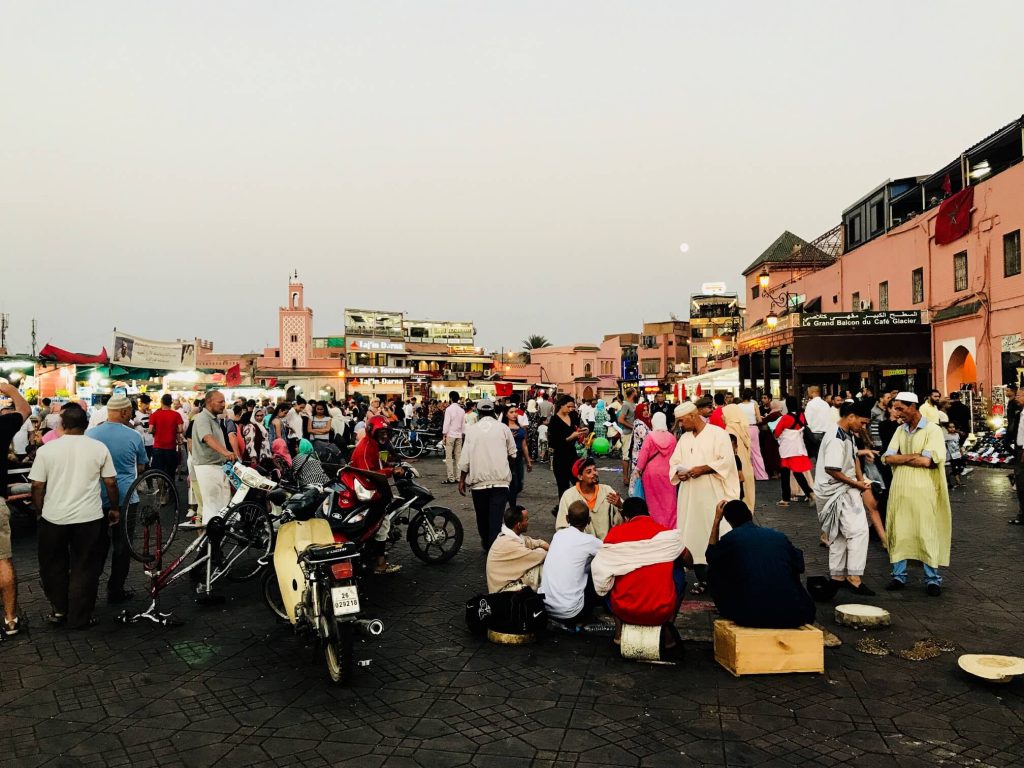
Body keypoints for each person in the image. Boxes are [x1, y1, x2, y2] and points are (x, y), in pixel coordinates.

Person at [29, 405, 120, 629]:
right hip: (88, 517)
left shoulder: (47, 450)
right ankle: (80, 616)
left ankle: (60, 609)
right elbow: (110, 482)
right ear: (86, 424)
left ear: (62, 424)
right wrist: (114, 508)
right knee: (85, 566)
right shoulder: (98, 448)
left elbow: (37, 485)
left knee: (52, 565)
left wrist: (39, 510)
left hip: (54, 517)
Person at [705, 500, 816, 628]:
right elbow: (799, 565)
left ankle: (732, 605)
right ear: (750, 515)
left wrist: (716, 521)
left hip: (750, 616)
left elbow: (710, 556)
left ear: (729, 521)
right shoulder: (778, 537)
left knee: (713, 569)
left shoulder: (731, 539)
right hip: (795, 614)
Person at [592, 497, 687, 645]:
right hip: (660, 611)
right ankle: (668, 634)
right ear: (648, 513)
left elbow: (600, 570)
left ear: (626, 517)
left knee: (608, 574)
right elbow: (691, 562)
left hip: (624, 609)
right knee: (678, 568)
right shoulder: (667, 534)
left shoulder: (615, 533)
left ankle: (618, 634)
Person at [883, 392, 952, 596]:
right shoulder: (900, 431)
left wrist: (901, 457)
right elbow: (887, 458)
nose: (897, 413)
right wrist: (914, 455)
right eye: (895, 408)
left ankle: (932, 579)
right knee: (899, 531)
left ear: (913, 407)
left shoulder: (933, 430)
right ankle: (898, 575)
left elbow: (928, 461)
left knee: (926, 531)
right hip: (900, 489)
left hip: (924, 490)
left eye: (900, 408)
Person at [669, 401, 740, 594]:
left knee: (717, 532)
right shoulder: (684, 439)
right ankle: (703, 580)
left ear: (692, 416)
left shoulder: (719, 434)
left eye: (682, 421)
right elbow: (674, 462)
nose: (681, 425)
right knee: (692, 535)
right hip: (690, 496)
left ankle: (723, 581)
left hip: (713, 493)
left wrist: (703, 469)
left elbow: (726, 461)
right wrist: (679, 472)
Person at [86, 394, 149, 603]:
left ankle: (90, 591)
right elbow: (141, 466)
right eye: (130, 411)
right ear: (124, 412)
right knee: (122, 547)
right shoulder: (133, 436)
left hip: (96, 498)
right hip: (126, 498)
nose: (131, 415)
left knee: (97, 546)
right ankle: (115, 590)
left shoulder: (90, 434)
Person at [812, 400, 877, 597]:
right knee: (858, 531)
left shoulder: (846, 434)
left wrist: (860, 478)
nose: (863, 427)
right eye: (862, 423)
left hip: (841, 489)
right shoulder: (836, 437)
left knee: (838, 533)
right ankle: (853, 577)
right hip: (838, 490)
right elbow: (832, 469)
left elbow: (853, 457)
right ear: (851, 417)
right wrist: (856, 484)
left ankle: (837, 576)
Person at [347, 417, 404, 574]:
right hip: (367, 492)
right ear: (373, 432)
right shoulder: (367, 447)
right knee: (382, 525)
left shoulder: (373, 444)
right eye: (381, 432)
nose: (384, 436)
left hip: (370, 489)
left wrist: (390, 465)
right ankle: (380, 564)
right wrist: (392, 471)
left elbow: (378, 464)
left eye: (386, 433)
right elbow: (370, 473)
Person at [458, 399, 516, 550]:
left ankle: (487, 543)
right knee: (496, 518)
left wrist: (462, 480)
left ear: (478, 412)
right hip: (500, 481)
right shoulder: (503, 428)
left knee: (482, 517)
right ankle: (493, 547)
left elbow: (465, 459)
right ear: (493, 411)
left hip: (479, 483)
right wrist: (508, 468)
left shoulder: (472, 430)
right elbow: (513, 454)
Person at [540, 500, 603, 627]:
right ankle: (586, 619)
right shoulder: (590, 541)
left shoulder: (558, 535)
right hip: (571, 613)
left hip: (546, 607)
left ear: (567, 518)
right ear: (589, 520)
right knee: (600, 570)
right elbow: (610, 552)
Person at [0, 378, 30, 636]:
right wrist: (8, 388)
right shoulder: (2, 424)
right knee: (3, 561)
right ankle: (10, 620)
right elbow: (25, 409)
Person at [188, 390, 236, 527]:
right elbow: (207, 438)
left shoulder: (214, 419)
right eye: (220, 402)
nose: (223, 405)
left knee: (221, 504)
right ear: (209, 402)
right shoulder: (202, 418)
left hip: (217, 466)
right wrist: (226, 452)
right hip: (207, 466)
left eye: (224, 401)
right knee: (212, 505)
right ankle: (210, 543)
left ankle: (215, 542)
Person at [556, 457, 623, 540]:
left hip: (606, 545)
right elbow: (561, 527)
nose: (594, 473)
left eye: (595, 470)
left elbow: (625, 520)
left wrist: (620, 506)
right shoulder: (569, 496)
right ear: (580, 477)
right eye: (589, 472)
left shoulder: (607, 491)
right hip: (580, 547)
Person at [485, 505, 548, 593]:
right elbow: (539, 556)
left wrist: (542, 543)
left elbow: (529, 541)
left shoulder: (508, 536)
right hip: (503, 591)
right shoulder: (508, 544)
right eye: (526, 520)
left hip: (505, 583)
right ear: (518, 525)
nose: (528, 522)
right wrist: (548, 549)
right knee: (543, 567)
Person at [633, 412, 677, 528]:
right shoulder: (672, 438)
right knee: (669, 500)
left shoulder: (650, 437)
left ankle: (655, 525)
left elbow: (643, 455)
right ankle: (670, 525)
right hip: (668, 473)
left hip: (651, 474)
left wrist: (638, 469)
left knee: (653, 501)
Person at [773, 395, 815, 507]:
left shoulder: (785, 418)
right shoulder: (802, 415)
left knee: (785, 473)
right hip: (798, 447)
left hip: (787, 448)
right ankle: (810, 493)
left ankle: (785, 499)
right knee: (797, 472)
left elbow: (777, 432)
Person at [548, 395, 585, 503]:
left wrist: (582, 431)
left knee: (579, 483)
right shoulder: (554, 420)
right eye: (568, 407)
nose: (571, 409)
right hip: (560, 457)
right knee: (563, 487)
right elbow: (554, 443)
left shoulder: (573, 416)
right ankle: (563, 510)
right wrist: (570, 438)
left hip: (572, 456)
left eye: (572, 407)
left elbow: (577, 428)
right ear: (561, 405)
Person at [722, 403, 756, 508]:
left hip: (736, 469)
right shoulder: (742, 428)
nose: (722, 416)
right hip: (746, 467)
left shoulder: (729, 431)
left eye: (724, 414)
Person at [149, 393, 183, 479]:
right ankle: (170, 490)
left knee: (159, 473)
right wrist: (172, 430)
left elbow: (150, 430)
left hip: (158, 447)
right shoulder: (176, 415)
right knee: (170, 472)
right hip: (171, 447)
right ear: (171, 403)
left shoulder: (155, 414)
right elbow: (181, 429)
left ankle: (161, 491)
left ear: (161, 402)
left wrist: (155, 430)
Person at [737, 389, 768, 481]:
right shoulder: (754, 405)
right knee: (756, 452)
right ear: (751, 396)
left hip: (742, 428)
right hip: (753, 428)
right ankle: (761, 475)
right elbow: (759, 420)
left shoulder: (738, 406)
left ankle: (745, 474)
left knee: (743, 452)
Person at [505, 407, 532, 507]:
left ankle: (509, 497)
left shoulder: (520, 427)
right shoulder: (504, 427)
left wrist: (528, 460)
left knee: (519, 485)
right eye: (511, 412)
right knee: (513, 483)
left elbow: (524, 444)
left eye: (515, 412)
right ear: (506, 414)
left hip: (519, 457)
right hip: (508, 458)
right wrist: (509, 437)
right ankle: (512, 506)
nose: (514, 414)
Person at [442, 391, 466, 485]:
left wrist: (444, 434)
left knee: (449, 457)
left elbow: (446, 423)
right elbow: (463, 425)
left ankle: (451, 478)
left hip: (450, 434)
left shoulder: (449, 409)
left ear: (451, 398)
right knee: (458, 457)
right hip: (459, 435)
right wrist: (463, 433)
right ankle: (459, 477)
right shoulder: (462, 410)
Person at [627, 402, 651, 495]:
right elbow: (647, 438)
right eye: (643, 410)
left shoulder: (644, 421)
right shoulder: (639, 424)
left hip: (641, 454)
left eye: (646, 410)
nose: (646, 412)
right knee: (637, 478)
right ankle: (635, 497)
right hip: (639, 456)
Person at [802, 386, 832, 454]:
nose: (808, 393)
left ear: (813, 392)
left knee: (815, 455)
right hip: (825, 433)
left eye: (808, 392)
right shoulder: (825, 404)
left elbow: (807, 419)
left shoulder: (810, 404)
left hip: (814, 433)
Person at [1009, 387, 1024, 524]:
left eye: (1019, 395)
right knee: (1020, 483)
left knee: (1021, 482)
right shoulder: (1020, 413)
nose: (1016, 398)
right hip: (1019, 451)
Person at [617, 388, 638, 482]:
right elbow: (620, 419)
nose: (637, 393)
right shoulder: (626, 404)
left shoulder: (634, 404)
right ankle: (625, 478)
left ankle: (631, 476)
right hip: (627, 433)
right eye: (636, 392)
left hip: (634, 433)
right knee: (626, 456)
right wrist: (632, 426)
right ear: (633, 393)